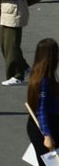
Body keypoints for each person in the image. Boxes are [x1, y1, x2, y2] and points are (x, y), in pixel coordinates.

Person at [26, 38, 59, 166]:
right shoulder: (42, 81)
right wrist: (47, 135)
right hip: (45, 127)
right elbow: (41, 110)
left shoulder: (44, 75)